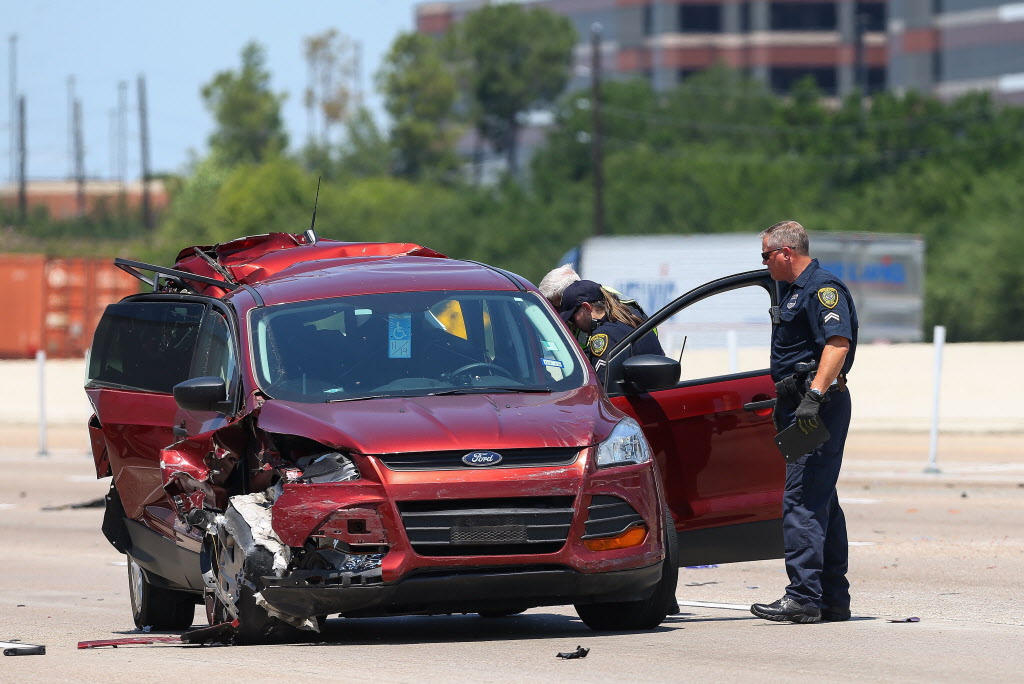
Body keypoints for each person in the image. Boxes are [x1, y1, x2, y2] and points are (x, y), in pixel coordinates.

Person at [750, 220, 858, 624]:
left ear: (784, 253)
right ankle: (831, 597)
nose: (763, 264)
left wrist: (813, 396)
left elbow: (837, 344)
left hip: (817, 407)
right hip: (799, 405)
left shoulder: (821, 289)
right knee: (821, 498)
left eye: (765, 256)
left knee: (802, 500)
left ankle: (803, 597)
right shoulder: (793, 291)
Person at [558, 279, 664, 383]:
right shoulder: (633, 317)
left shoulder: (604, 335)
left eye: (572, 318)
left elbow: (603, 389)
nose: (574, 326)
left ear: (587, 307)